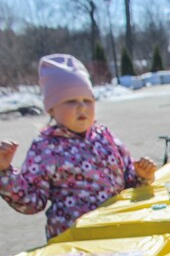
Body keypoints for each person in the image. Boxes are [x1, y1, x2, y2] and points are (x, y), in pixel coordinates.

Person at [0, 54, 156, 240]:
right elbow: (32, 201)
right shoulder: (46, 147)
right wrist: (5, 173)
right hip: (75, 239)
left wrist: (141, 175)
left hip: (117, 230)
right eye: (71, 101)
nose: (82, 107)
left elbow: (127, 179)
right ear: (52, 108)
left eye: (87, 100)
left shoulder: (104, 136)